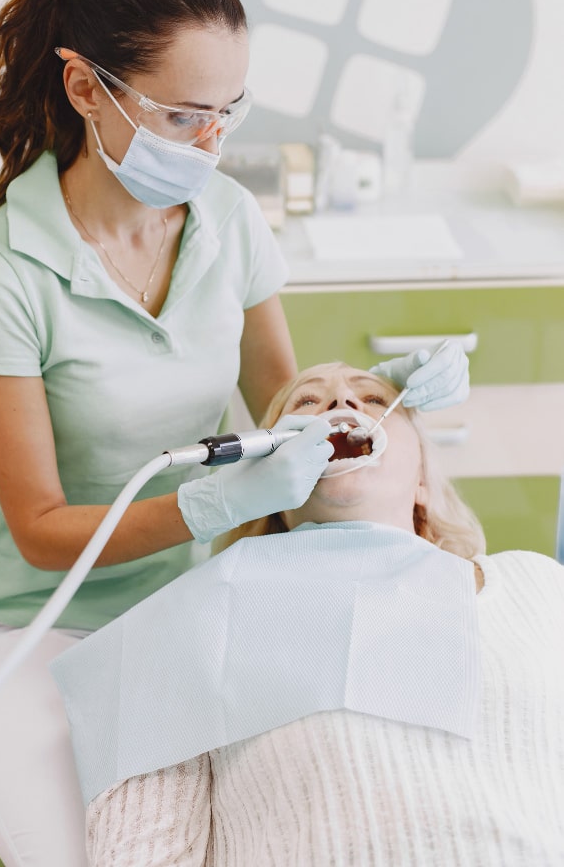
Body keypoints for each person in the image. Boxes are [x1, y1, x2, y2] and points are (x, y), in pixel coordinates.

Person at [0, 0, 470, 865]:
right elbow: (40, 530)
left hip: (208, 596)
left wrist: (380, 403)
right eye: (184, 117)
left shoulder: (227, 222)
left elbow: (280, 407)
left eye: (229, 112)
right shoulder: (4, 274)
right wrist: (204, 508)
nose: (214, 144)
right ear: (86, 87)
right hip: (43, 622)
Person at [52, 361, 564, 867]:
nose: (343, 404)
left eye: (375, 399)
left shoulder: (535, 585)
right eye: (307, 402)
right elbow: (145, 851)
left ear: (423, 481)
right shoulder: (190, 622)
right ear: (267, 476)